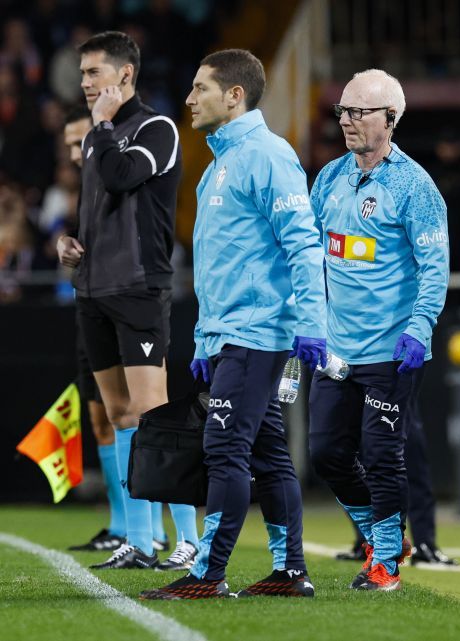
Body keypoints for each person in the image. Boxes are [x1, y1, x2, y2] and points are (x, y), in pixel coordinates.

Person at [141, 49, 327, 600]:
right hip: (231, 335)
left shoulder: (268, 156)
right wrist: (204, 337)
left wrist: (311, 324)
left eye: (200, 88)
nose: (189, 98)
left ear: (234, 95)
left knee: (223, 450)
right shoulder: (219, 161)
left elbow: (303, 244)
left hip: (258, 333)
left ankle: (207, 573)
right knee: (267, 455)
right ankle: (290, 571)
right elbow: (220, 262)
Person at [57, 31, 198, 570]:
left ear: (126, 76)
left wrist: (102, 127)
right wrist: (72, 243)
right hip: (93, 288)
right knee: (119, 414)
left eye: (94, 73)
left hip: (139, 288)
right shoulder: (102, 134)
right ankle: (139, 540)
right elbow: (99, 207)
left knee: (153, 412)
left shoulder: (155, 128)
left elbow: (120, 178)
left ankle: (186, 537)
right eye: (84, 74)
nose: (86, 83)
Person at [308, 68, 450, 592]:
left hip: (392, 349)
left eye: (359, 112)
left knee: (383, 455)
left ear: (391, 119)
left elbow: (435, 266)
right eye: (343, 111)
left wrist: (420, 328)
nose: (346, 121)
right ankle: (381, 535)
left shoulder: (415, 186)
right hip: (337, 350)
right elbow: (309, 256)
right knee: (326, 453)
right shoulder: (328, 179)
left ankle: (386, 560)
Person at [60, 107, 125, 553]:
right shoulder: (84, 189)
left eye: (77, 141)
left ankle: (148, 530)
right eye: (66, 144)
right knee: (100, 419)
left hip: (120, 307)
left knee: (128, 415)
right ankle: (122, 525)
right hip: (89, 307)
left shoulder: (116, 179)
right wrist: (66, 244)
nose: (71, 151)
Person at [334, 394, 458, 566]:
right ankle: (367, 541)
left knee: (411, 459)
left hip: (396, 384)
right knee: (354, 462)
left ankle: (424, 543)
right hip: (362, 381)